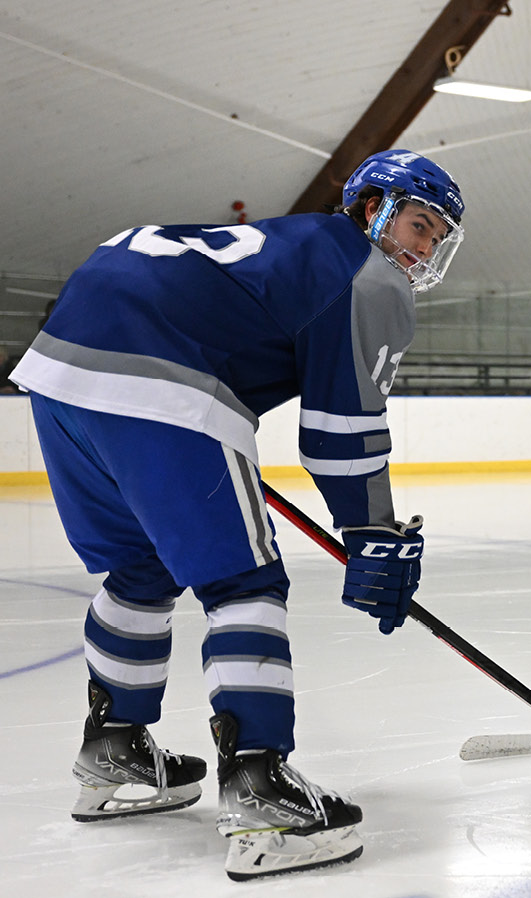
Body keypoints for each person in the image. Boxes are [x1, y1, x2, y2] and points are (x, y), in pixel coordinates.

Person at [6, 150, 465, 881]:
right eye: (417, 224)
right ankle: (261, 792)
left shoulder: (295, 247)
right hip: (162, 368)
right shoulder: (366, 275)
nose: (422, 248)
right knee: (243, 582)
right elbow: (341, 437)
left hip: (61, 367)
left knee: (143, 566)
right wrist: (373, 533)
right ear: (370, 207)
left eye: (436, 238)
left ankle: (114, 750)